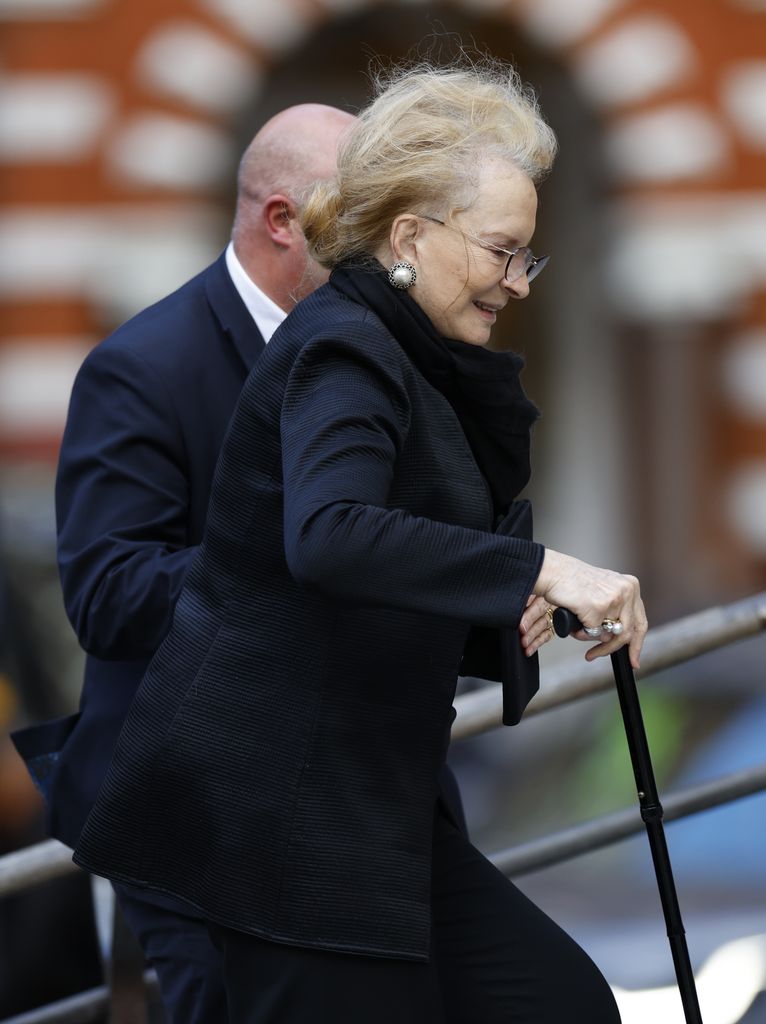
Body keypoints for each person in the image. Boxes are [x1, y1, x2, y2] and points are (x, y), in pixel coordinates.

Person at [73, 61, 647, 1023]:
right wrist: (541, 567)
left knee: (561, 1003)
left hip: (370, 809)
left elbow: (378, 570)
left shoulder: (411, 352)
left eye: (528, 257)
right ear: (412, 235)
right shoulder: (345, 346)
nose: (518, 281)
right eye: (503, 251)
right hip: (288, 824)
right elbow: (331, 538)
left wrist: (511, 608)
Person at [12, 103, 356, 1022]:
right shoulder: (143, 366)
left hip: (347, 789)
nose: (389, 238)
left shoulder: (373, 357)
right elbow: (109, 597)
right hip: (183, 804)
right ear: (283, 221)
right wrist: (314, 554)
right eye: (363, 212)